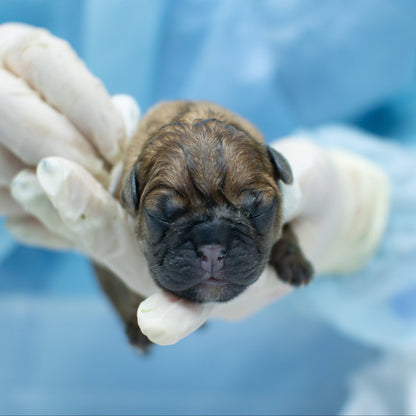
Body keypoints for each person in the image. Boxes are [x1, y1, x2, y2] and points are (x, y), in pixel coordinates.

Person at [0, 1, 415, 414]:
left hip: (309, 377)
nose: (212, 250)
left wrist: (365, 212)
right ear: (130, 195)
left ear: (281, 176)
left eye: (256, 209)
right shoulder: (117, 185)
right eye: (166, 212)